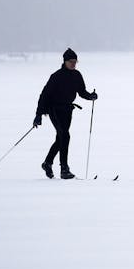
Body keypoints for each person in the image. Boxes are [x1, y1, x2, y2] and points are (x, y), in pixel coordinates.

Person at [34, 47, 97, 179]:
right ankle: (64, 169)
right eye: (71, 61)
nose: (73, 64)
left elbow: (81, 92)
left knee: (61, 138)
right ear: (65, 61)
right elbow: (44, 95)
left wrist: (91, 96)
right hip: (54, 109)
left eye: (75, 61)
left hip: (67, 110)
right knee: (65, 136)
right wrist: (38, 114)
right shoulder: (56, 76)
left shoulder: (77, 75)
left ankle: (47, 163)